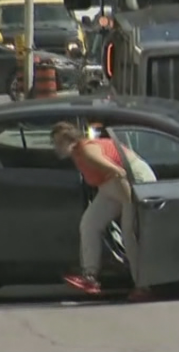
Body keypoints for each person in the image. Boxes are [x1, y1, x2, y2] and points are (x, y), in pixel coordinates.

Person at [51, 122, 151, 301]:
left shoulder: (87, 151)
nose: (56, 147)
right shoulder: (77, 153)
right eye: (54, 142)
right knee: (89, 224)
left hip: (131, 180)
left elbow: (118, 172)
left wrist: (129, 201)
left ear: (70, 140)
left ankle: (143, 286)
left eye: (59, 142)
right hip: (109, 186)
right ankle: (90, 277)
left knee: (129, 234)